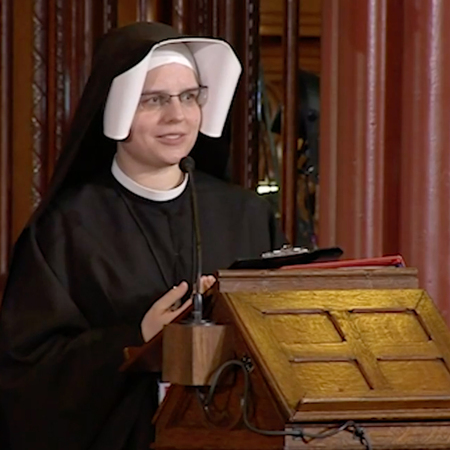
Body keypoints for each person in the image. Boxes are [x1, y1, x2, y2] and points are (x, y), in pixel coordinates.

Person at [0, 22, 284, 450]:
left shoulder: (245, 214)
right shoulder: (66, 226)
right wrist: (136, 337)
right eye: (154, 100)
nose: (178, 116)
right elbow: (27, 374)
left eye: (189, 97)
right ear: (116, 110)